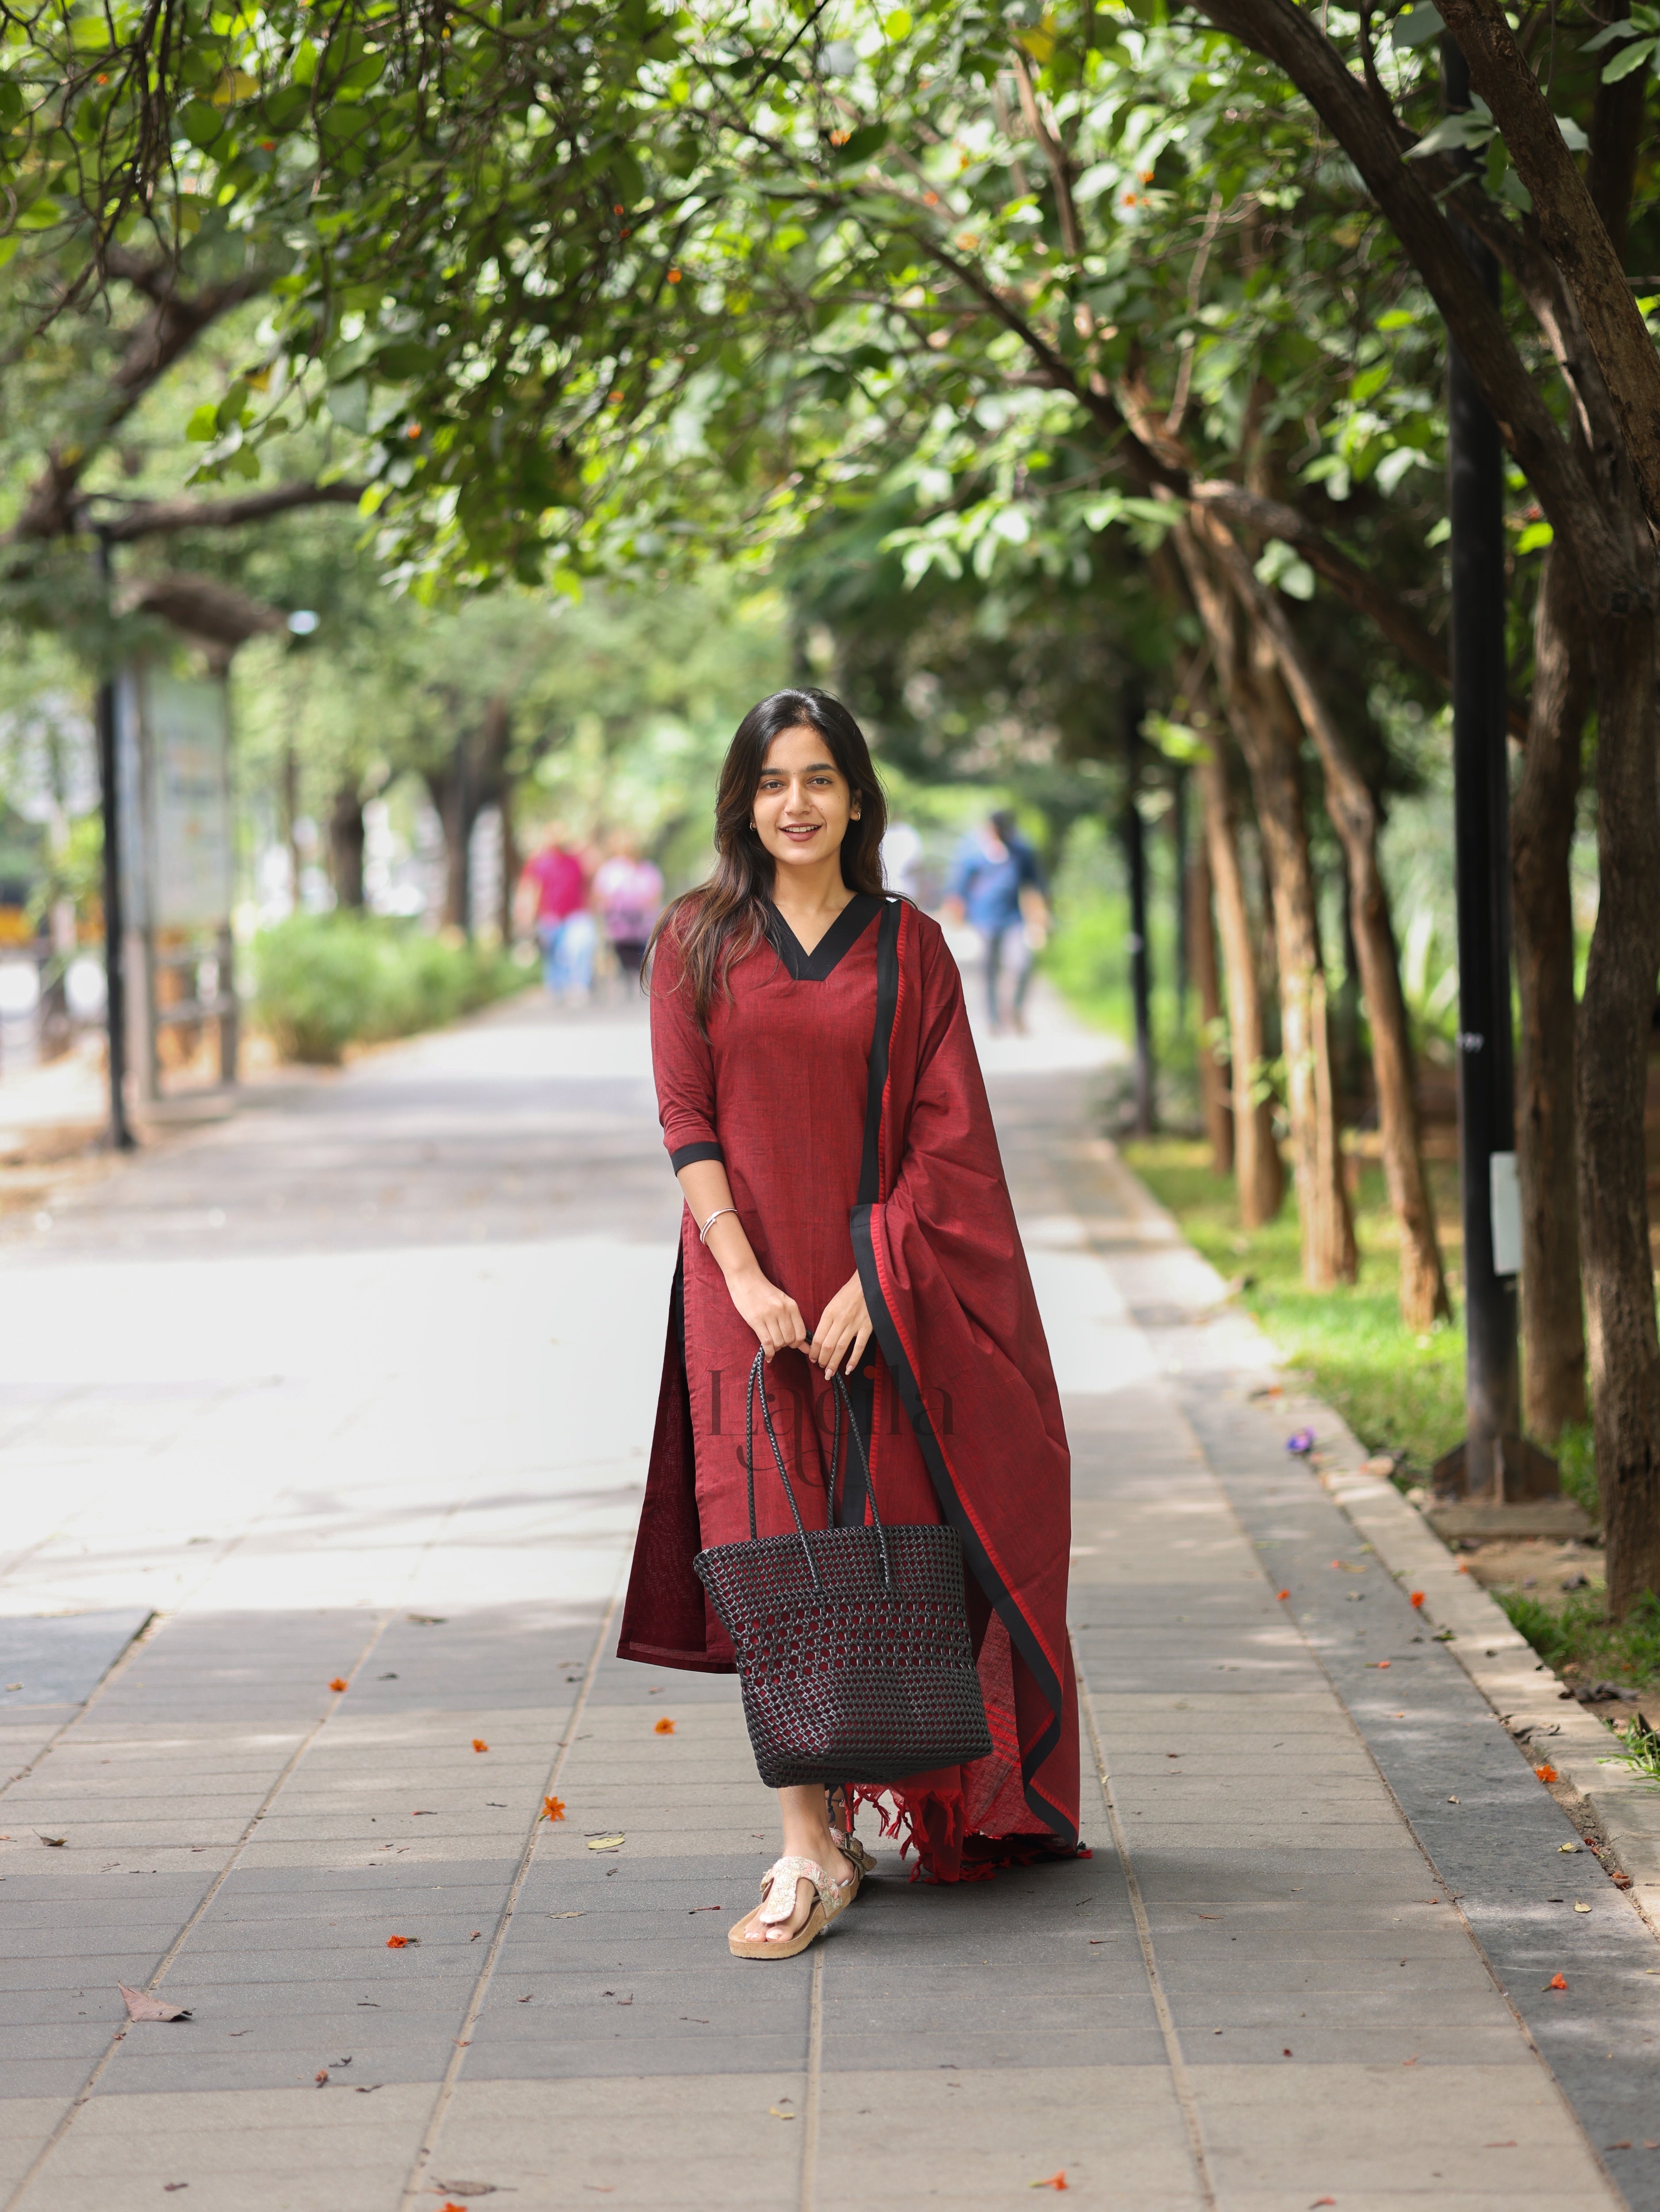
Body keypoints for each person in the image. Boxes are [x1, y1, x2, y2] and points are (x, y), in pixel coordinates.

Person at [617, 688, 1078, 1958]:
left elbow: (952, 1132)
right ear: (743, 801)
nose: (797, 803)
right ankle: (805, 1845)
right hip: (743, 1296)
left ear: (857, 798)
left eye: (819, 778)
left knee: (875, 1541)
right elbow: (686, 1121)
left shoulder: (909, 945)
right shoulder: (698, 938)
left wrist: (877, 1279)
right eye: (772, 781)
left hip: (881, 1297)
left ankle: (870, 1820)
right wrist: (748, 1277)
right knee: (770, 1552)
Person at [943, 810, 1050, 1033]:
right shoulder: (975, 852)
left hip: (1014, 920)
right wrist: (955, 911)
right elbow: (960, 886)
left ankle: (1016, 1010)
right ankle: (993, 1019)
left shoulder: (1021, 852)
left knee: (1022, 965)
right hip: (985, 920)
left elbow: (1035, 885)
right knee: (989, 970)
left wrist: (1040, 917)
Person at [518, 826, 594, 1002]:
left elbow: (587, 883)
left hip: (575, 914)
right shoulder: (539, 862)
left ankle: (579, 985)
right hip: (550, 915)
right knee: (551, 953)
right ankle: (556, 988)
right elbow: (532, 889)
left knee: (580, 949)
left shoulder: (576, 860)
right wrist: (528, 915)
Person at [592, 830, 664, 981]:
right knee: (624, 964)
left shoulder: (648, 870)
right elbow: (601, 899)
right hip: (619, 929)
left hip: (643, 928)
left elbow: (655, 897)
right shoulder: (609, 871)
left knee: (641, 964)